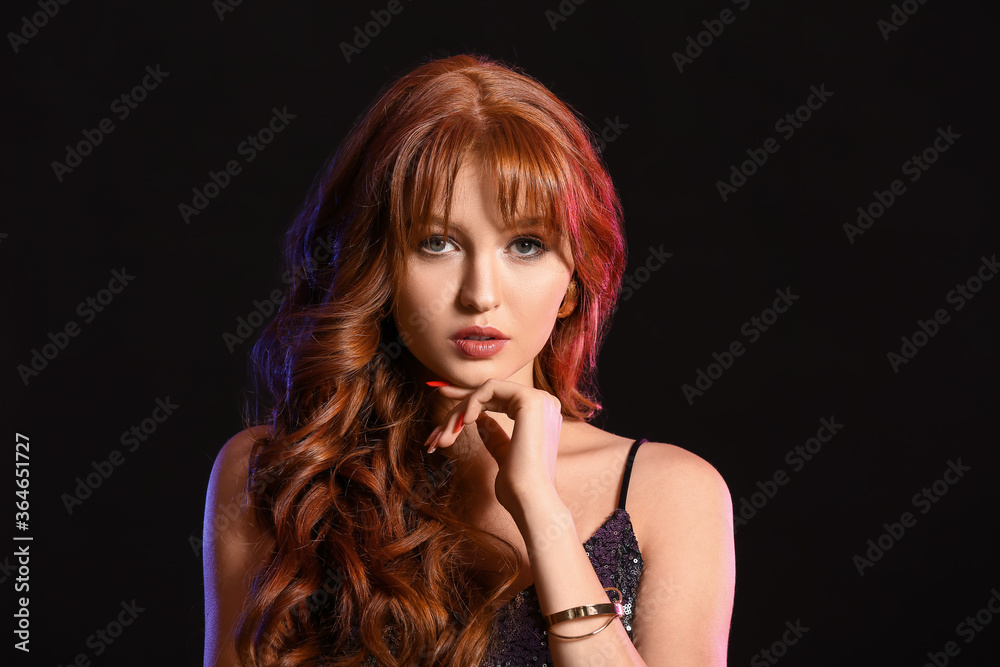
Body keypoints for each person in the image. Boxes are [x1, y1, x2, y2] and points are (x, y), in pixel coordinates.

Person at [202, 53, 735, 667]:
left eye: (526, 245)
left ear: (573, 282)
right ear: (380, 266)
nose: (480, 294)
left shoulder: (670, 493)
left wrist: (543, 512)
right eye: (438, 243)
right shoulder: (277, 474)